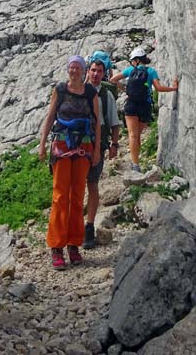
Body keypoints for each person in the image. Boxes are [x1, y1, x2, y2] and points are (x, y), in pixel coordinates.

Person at [39, 55, 101, 270]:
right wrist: (42, 144)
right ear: (68, 70)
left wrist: (97, 149)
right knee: (59, 195)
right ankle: (57, 246)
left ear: (83, 71)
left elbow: (96, 122)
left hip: (84, 147)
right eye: (71, 68)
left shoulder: (91, 93)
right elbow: (50, 116)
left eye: (78, 68)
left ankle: (73, 244)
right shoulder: (60, 89)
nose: (74, 71)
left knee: (77, 195)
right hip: (62, 145)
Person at [110, 47, 178, 173]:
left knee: (132, 135)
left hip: (131, 104)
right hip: (145, 106)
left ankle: (135, 164)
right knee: (138, 135)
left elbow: (112, 80)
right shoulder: (151, 71)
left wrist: (124, 89)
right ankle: (137, 161)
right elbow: (158, 88)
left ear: (135, 60)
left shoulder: (130, 70)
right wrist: (173, 89)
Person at [83, 52, 121, 249]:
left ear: (104, 74)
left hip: (97, 145)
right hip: (78, 145)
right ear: (87, 71)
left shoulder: (106, 96)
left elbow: (115, 123)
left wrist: (114, 145)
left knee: (93, 184)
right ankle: (76, 227)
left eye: (99, 71)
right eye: (93, 70)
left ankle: (89, 226)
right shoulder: (78, 91)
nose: (96, 74)